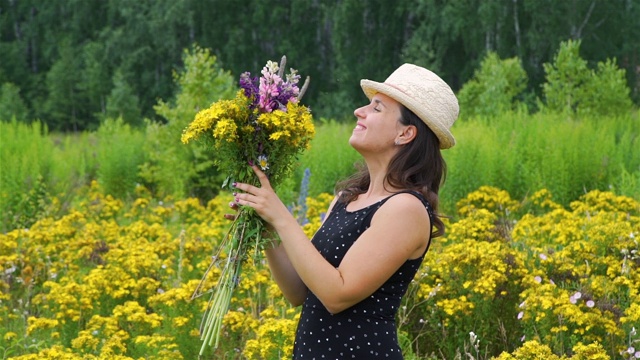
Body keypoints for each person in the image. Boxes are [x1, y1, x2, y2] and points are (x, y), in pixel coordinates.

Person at [231, 63, 459, 359]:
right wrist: (267, 227)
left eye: (376, 108)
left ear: (406, 134)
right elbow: (299, 292)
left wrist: (281, 216)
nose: (359, 112)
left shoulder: (406, 208)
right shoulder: (346, 199)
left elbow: (337, 294)